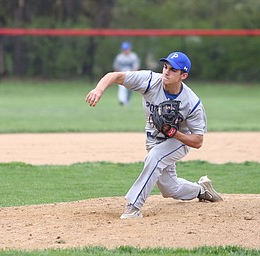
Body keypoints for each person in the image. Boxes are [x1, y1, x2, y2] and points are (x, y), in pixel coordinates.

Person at [85, 51, 223, 219]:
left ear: (183, 75)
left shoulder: (191, 103)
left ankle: (133, 207)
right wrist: (98, 90)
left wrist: (174, 132)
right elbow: (115, 76)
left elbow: (198, 140)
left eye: (173, 70)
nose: (166, 71)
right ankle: (202, 190)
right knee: (170, 188)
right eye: (165, 67)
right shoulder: (150, 81)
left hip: (179, 140)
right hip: (153, 139)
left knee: (154, 158)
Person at [113, 41, 140, 105]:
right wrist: (115, 77)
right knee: (122, 88)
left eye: (126, 49)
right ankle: (122, 100)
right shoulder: (119, 57)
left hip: (130, 75)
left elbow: (135, 67)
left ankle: (127, 101)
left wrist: (134, 75)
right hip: (121, 75)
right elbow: (116, 67)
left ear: (129, 48)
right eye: (124, 49)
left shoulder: (133, 56)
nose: (125, 50)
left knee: (129, 90)